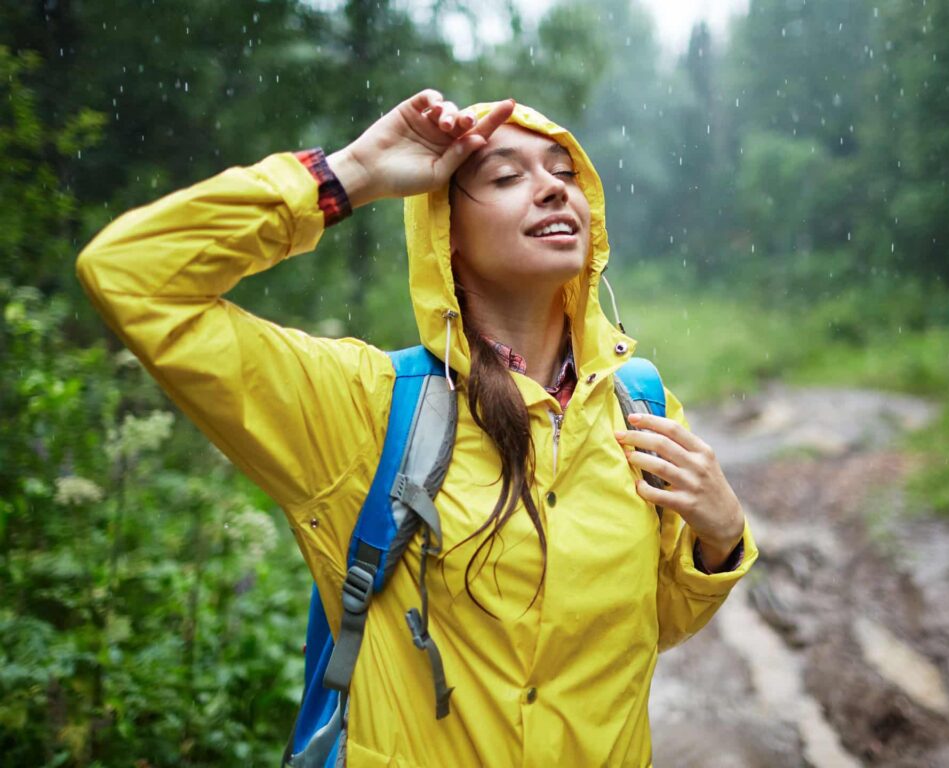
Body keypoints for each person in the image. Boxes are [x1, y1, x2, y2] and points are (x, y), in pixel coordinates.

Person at [77, 89, 758, 766]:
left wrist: (720, 539)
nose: (552, 189)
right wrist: (349, 174)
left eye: (563, 171)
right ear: (446, 235)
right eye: (508, 176)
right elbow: (132, 276)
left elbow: (646, 628)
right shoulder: (362, 410)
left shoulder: (639, 403)